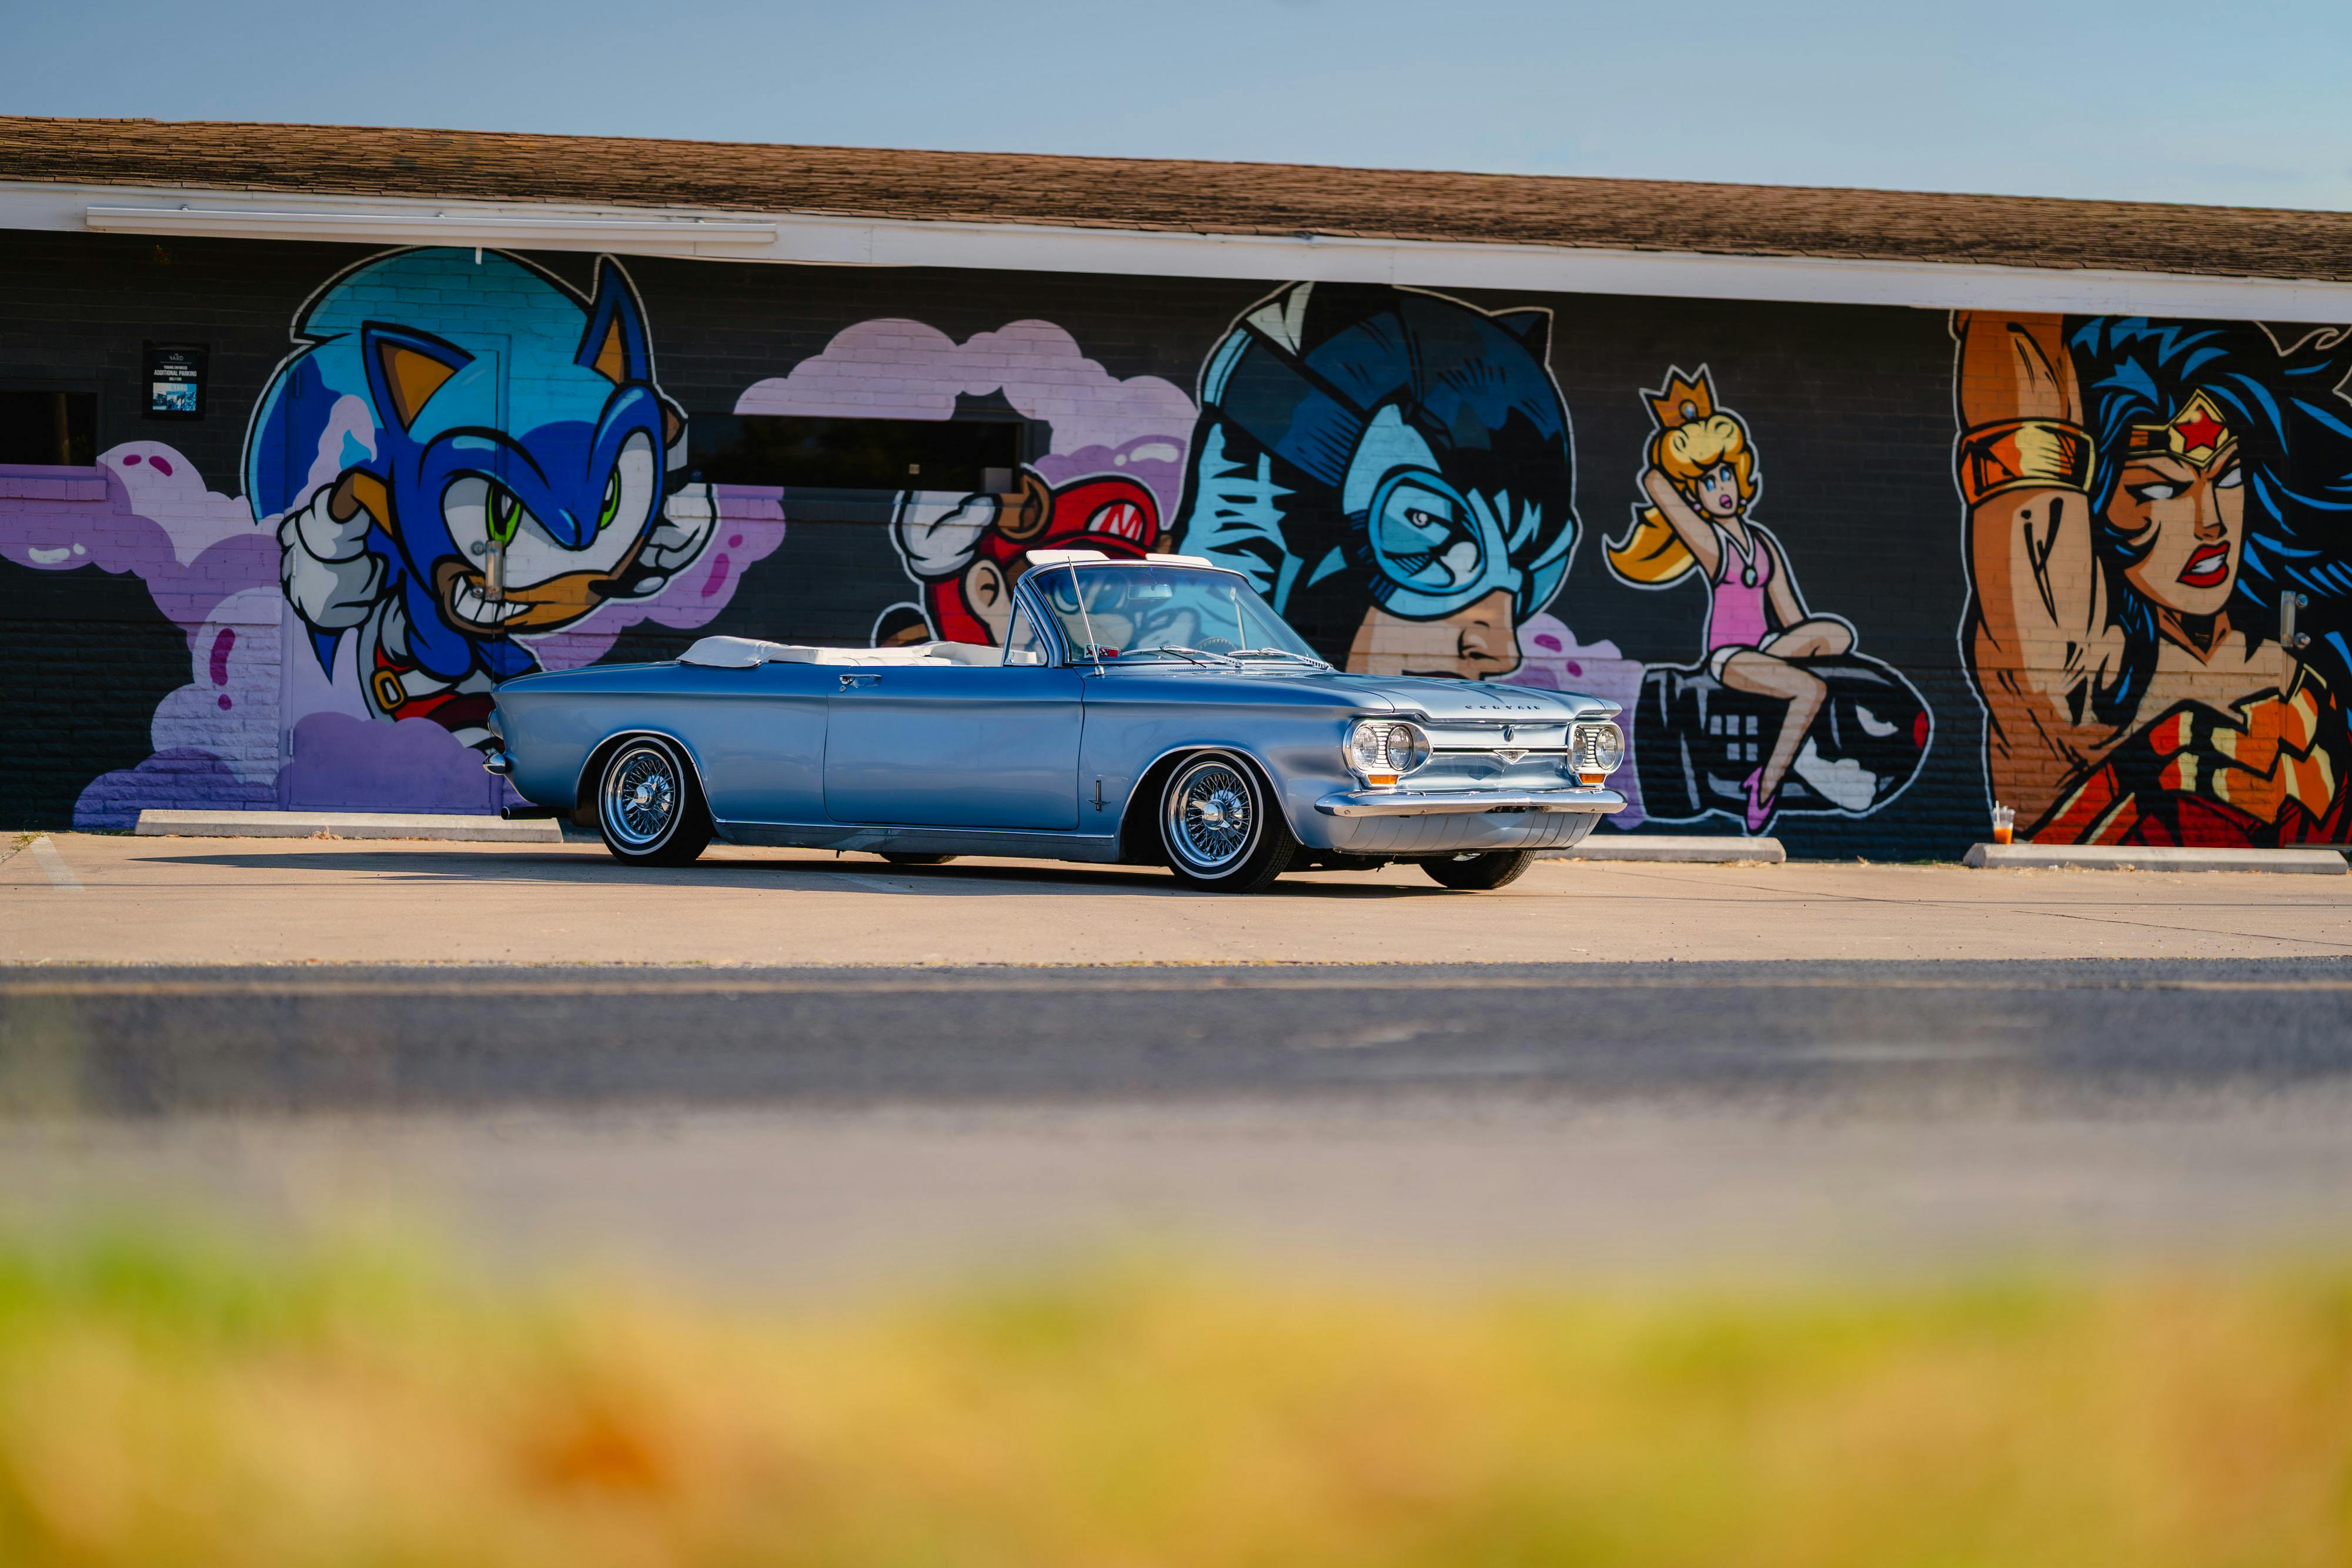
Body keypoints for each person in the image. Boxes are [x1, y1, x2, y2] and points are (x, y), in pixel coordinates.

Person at [1955, 313, 2352, 844]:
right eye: (2163, 491)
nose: (2209, 523)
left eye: (2228, 476)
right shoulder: (2087, 677)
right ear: (2093, 507)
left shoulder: (2291, 668)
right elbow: (2027, 475)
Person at [1609, 368, 1853, 830]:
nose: (1721, 487)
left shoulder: (1763, 545)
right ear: (1697, 497)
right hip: (1729, 659)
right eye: (1708, 482)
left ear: (1741, 479)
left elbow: (1795, 619)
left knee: (1836, 632)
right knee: (1811, 690)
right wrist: (1684, 434)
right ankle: (1764, 785)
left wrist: (1808, 647)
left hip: (1766, 650)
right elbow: (1657, 485)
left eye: (1726, 476)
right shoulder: (1711, 544)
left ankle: (1799, 744)